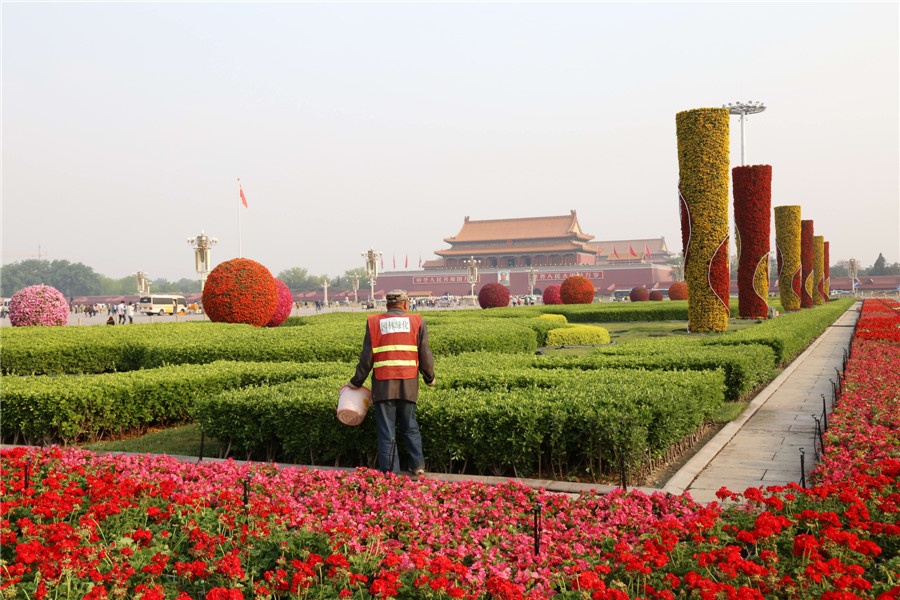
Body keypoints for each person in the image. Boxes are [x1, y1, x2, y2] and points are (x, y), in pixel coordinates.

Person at [348, 289, 436, 476]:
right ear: (406, 304)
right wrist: (430, 378)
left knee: (387, 431)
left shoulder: (374, 322)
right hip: (408, 383)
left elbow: (366, 358)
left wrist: (356, 382)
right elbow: (425, 354)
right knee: (410, 425)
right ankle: (418, 466)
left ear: (387, 305)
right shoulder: (417, 321)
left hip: (383, 384)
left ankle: (390, 472)